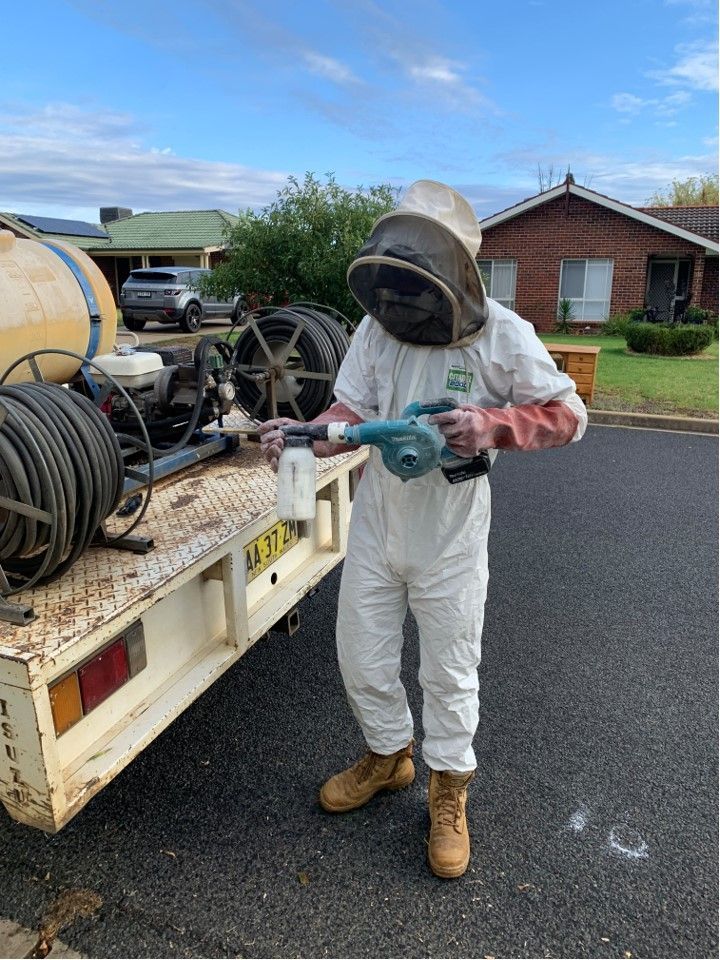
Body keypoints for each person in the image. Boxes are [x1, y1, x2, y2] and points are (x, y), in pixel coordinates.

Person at [259, 180, 587, 879]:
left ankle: (448, 791)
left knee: (450, 669)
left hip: (453, 534)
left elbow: (568, 414)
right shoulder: (377, 329)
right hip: (379, 520)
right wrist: (299, 436)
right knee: (360, 654)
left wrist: (494, 424)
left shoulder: (503, 333)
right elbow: (352, 410)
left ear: (459, 269)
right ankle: (388, 757)